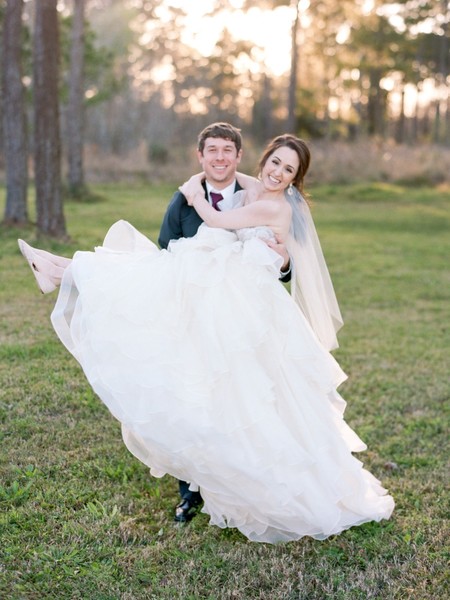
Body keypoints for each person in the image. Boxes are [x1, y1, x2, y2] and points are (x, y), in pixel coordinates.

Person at [18, 133, 394, 544]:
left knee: (247, 392)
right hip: (215, 295)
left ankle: (66, 271)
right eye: (276, 163)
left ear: (294, 179)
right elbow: (168, 244)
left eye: (289, 170)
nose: (278, 172)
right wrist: (198, 188)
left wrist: (196, 194)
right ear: (262, 161)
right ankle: (66, 269)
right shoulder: (252, 187)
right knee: (156, 282)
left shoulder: (269, 201)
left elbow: (222, 224)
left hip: (244, 303)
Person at [158, 122, 292, 522]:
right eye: (211, 151)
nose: (219, 158)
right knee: (193, 400)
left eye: (226, 151)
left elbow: (286, 265)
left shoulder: (256, 194)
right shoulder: (182, 202)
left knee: (242, 402)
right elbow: (163, 253)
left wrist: (283, 262)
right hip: (194, 319)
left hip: (244, 325)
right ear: (200, 156)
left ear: (238, 156)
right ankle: (190, 492)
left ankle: (239, 485)